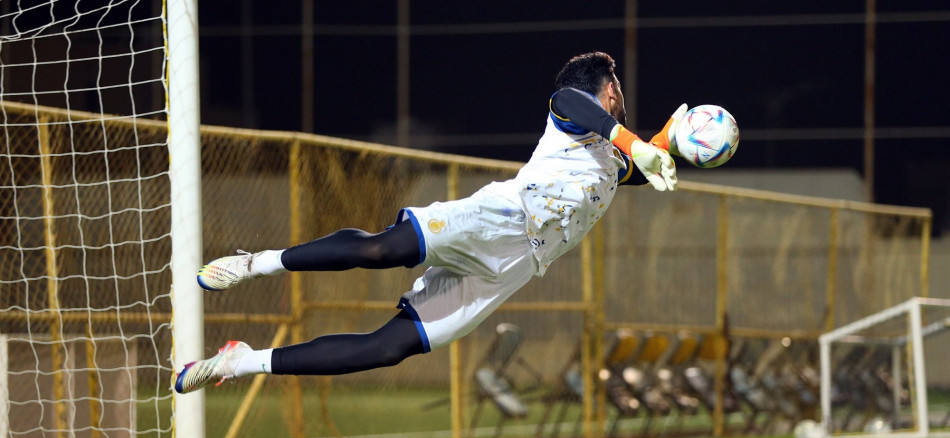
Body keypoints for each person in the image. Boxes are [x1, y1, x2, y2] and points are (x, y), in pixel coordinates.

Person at [175, 51, 687, 394]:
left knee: (387, 348)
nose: (620, 92)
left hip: (510, 267)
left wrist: (668, 143)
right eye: (616, 85)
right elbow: (570, 101)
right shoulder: (572, 116)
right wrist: (635, 142)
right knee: (380, 251)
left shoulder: (613, 158)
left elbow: (635, 169)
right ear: (611, 90)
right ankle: (256, 262)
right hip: (498, 218)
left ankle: (242, 361)